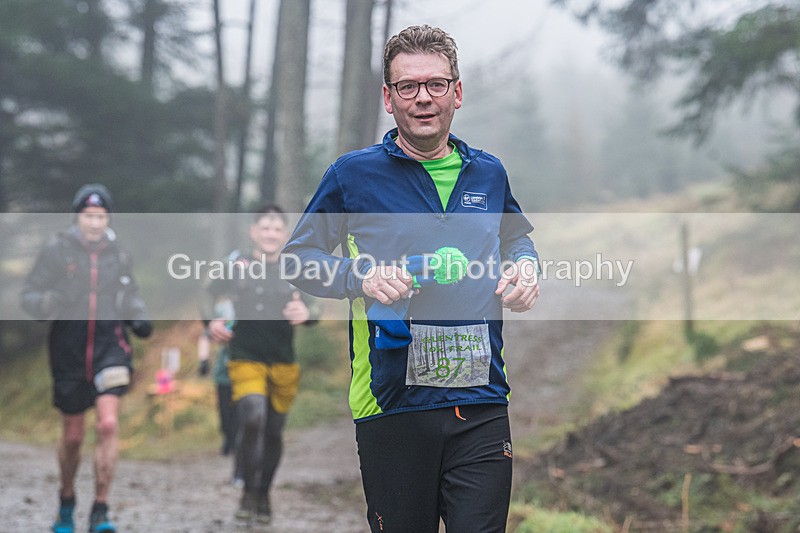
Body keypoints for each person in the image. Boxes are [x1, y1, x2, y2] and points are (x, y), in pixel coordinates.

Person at [282, 25, 540, 532]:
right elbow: (298, 258)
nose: (423, 98)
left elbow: (516, 238)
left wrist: (526, 266)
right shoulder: (352, 175)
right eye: (407, 87)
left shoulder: (488, 173)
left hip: (481, 399)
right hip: (391, 403)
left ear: (457, 92)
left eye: (436, 84)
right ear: (388, 97)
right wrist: (361, 276)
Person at [20, 184, 152, 533]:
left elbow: (130, 293)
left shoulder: (119, 253)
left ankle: (101, 509)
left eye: (101, 216)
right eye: (88, 216)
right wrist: (46, 302)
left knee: (108, 424)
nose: (94, 223)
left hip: (112, 348)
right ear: (77, 216)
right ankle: (66, 502)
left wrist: (138, 316)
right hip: (69, 351)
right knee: (74, 436)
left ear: (108, 218)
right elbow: (29, 294)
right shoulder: (56, 250)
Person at [206, 205, 314, 525]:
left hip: (283, 361)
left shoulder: (294, 268)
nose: (270, 234)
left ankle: (263, 492)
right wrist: (211, 321)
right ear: (254, 231)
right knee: (253, 415)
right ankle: (247, 491)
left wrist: (307, 314)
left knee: (275, 432)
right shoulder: (236, 265)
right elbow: (210, 296)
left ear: (284, 234)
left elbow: (314, 305)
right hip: (244, 357)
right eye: (265, 228)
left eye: (277, 229)